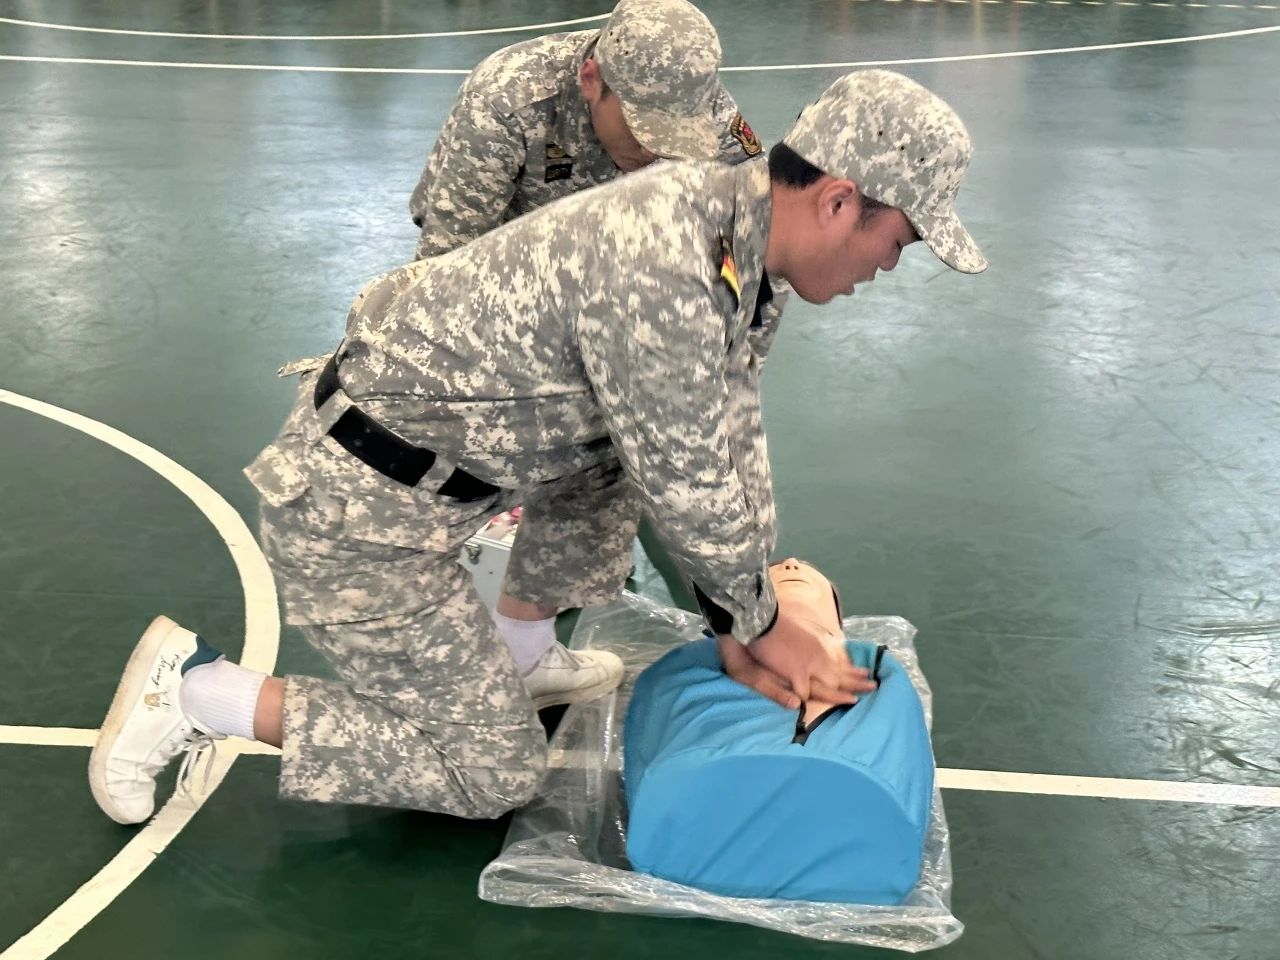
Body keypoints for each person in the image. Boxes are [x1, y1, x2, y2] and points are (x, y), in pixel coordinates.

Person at [89, 69, 986, 827]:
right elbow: (687, 477)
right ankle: (197, 692)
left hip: (449, 478)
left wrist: (742, 617)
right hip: (358, 516)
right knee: (495, 775)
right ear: (839, 201)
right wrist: (759, 623)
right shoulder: (668, 260)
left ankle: (519, 652)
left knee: (619, 467)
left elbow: (728, 433)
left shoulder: (744, 243)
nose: (888, 268)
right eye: (898, 242)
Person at [411, 0, 772, 642]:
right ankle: (520, 626)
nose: (657, 150)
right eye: (642, 128)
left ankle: (717, 627)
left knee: (655, 446)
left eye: (672, 135)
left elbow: (749, 272)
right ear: (591, 81)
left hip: (629, 284)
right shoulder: (509, 97)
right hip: (508, 276)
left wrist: (714, 389)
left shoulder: (716, 124)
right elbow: (445, 277)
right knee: (529, 446)